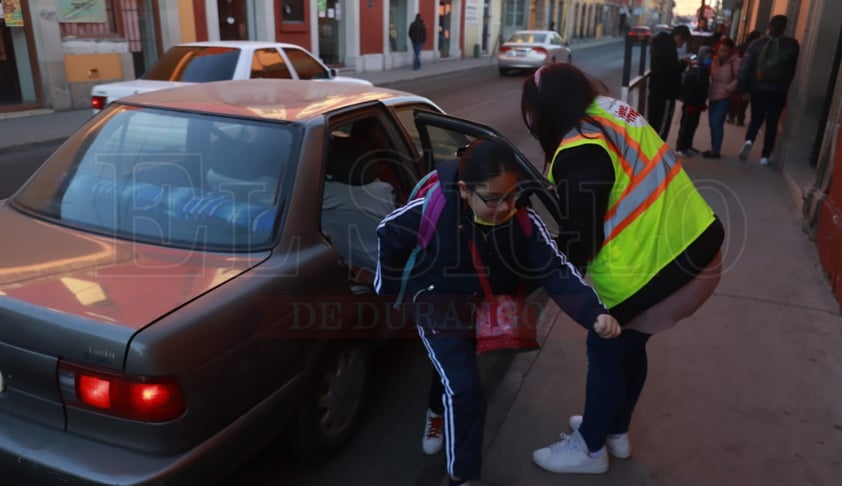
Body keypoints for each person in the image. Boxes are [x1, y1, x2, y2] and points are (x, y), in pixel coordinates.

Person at [375, 137, 621, 485]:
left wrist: (592, 312)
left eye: (513, 196)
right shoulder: (435, 209)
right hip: (438, 306)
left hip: (484, 308)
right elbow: (388, 232)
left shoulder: (523, 220)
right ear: (464, 190)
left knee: (452, 374)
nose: (505, 206)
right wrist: (391, 292)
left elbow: (555, 268)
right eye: (493, 199)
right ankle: (462, 474)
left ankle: (438, 408)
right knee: (465, 389)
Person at [521, 63, 724, 474]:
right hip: (695, 246)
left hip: (655, 270)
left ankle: (591, 447)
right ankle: (615, 429)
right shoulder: (611, 111)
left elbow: (580, 241)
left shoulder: (578, 150)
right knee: (632, 344)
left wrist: (540, 269)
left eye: (531, 111)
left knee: (608, 348)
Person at [737, 15, 800, 166]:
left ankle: (749, 140)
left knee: (756, 118)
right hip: (778, 90)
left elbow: (745, 68)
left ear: (769, 26)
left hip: (758, 88)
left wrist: (743, 88)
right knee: (772, 122)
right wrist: (785, 83)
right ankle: (765, 156)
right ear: (785, 28)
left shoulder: (756, 44)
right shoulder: (792, 45)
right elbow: (793, 69)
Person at [648, 24, 693, 141]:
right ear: (678, 37)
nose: (682, 45)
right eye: (683, 41)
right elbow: (672, 70)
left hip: (655, 90)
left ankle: (649, 152)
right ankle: (657, 154)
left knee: (653, 124)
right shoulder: (669, 47)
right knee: (662, 126)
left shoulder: (661, 44)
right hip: (665, 93)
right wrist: (683, 63)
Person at [703, 38, 740, 158]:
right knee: (712, 123)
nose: (722, 53)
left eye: (725, 50)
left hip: (725, 97)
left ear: (731, 51)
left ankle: (716, 150)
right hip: (713, 95)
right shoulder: (715, 60)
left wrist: (729, 88)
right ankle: (714, 147)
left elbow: (739, 78)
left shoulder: (736, 61)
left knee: (717, 123)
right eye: (720, 50)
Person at [675, 46, 712, 156]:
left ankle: (687, 145)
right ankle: (681, 147)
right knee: (687, 125)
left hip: (698, 103)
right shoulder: (696, 70)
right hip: (691, 103)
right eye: (707, 57)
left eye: (710, 57)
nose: (709, 60)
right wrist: (690, 102)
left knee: (693, 125)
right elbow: (690, 87)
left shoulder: (703, 69)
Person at [728, 30, 762, 125]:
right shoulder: (756, 49)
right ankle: (740, 118)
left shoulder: (740, 47)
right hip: (749, 76)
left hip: (736, 74)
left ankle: (731, 116)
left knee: (734, 96)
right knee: (744, 98)